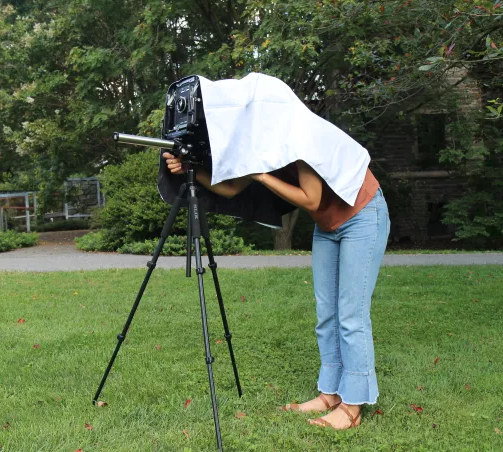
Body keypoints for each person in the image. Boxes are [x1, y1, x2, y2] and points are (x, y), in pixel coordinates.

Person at [163, 151, 390, 430]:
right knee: (327, 314)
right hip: (327, 224)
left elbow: (311, 198)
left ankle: (352, 406)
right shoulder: (258, 143)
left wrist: (261, 175)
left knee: (351, 316)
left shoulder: (296, 137)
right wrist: (191, 170)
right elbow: (233, 188)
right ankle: (330, 394)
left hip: (362, 215)